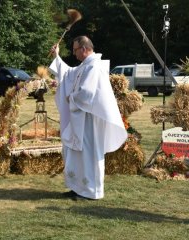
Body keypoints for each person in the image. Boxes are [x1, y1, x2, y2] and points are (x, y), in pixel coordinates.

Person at [49, 36, 127, 200]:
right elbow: (68, 73)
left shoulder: (94, 67)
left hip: (90, 122)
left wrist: (71, 98)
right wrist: (57, 56)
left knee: (89, 155)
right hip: (80, 121)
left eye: (75, 50)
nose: (74, 54)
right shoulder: (85, 66)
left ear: (84, 49)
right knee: (77, 155)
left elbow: (87, 94)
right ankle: (78, 188)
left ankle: (91, 191)